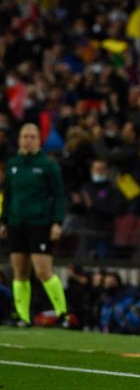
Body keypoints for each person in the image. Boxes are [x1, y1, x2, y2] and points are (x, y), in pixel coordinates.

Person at [0, 123, 68, 328]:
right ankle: (23, 316)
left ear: (39, 140)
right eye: (24, 136)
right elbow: (8, 195)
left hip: (40, 224)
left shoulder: (48, 165)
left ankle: (62, 313)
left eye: (32, 136)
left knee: (43, 271)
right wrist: (3, 221)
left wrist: (57, 222)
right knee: (19, 272)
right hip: (16, 223)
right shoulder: (13, 165)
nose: (27, 140)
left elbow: (59, 195)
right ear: (19, 139)